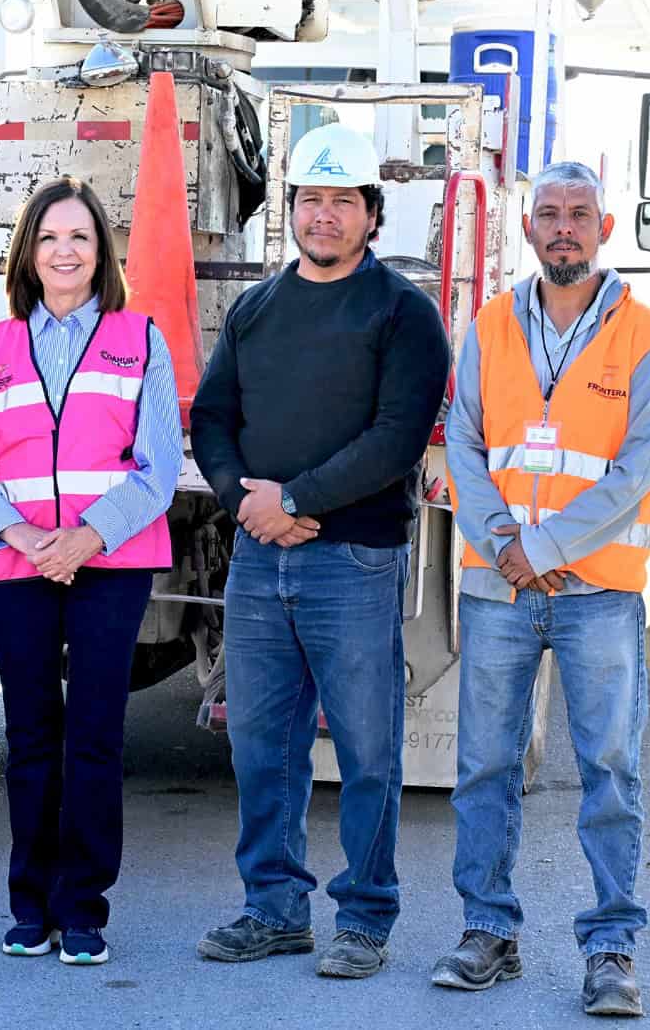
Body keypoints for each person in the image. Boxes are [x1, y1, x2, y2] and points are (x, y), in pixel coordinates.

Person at [190, 123, 449, 978]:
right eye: (311, 199)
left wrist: (294, 499)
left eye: (343, 201)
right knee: (262, 744)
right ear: (291, 211)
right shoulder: (258, 308)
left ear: (372, 214)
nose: (325, 215)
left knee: (370, 750)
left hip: (355, 560)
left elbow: (396, 436)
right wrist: (244, 500)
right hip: (260, 560)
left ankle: (366, 917)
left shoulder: (404, 314)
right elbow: (212, 418)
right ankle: (274, 908)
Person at [436, 161, 650, 1018]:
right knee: (485, 768)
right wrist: (505, 543)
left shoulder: (645, 336)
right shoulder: (490, 327)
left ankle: (611, 948)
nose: (564, 226)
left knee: (610, 770)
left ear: (604, 230)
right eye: (549, 213)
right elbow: (465, 442)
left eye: (580, 213)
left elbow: (635, 468)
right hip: (500, 587)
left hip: (597, 591)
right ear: (529, 230)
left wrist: (539, 548)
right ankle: (487, 933)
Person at [0, 176, 181, 967]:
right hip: (17, 563)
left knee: (97, 738)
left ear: (100, 252)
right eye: (49, 238)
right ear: (28, 254)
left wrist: (84, 538)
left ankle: (83, 909)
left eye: (79, 237)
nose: (65, 251)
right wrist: (20, 533)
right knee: (31, 736)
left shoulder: (140, 340)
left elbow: (159, 468)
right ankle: (29, 904)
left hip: (110, 564)